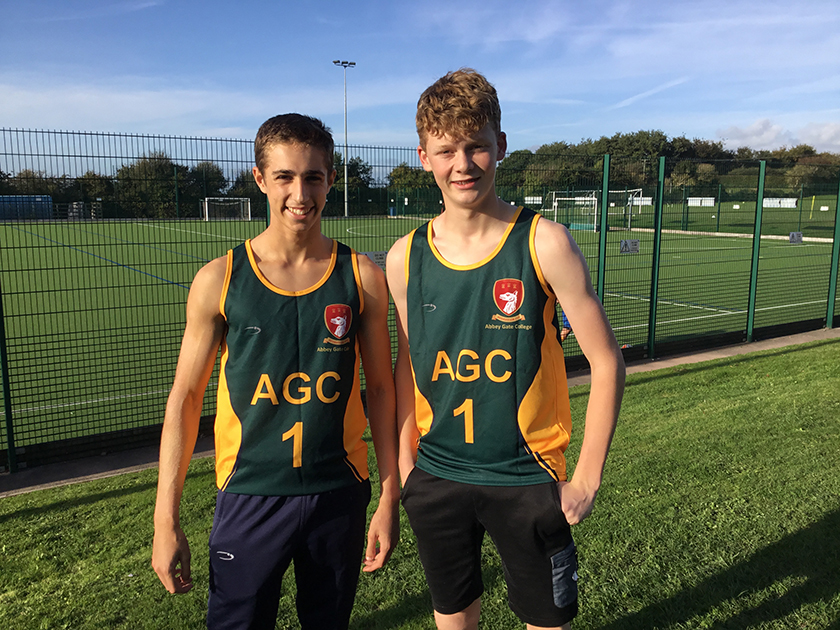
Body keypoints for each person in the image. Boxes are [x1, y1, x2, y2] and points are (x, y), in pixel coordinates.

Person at [386, 69, 625, 630]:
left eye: (477, 147)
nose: (463, 164)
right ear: (424, 156)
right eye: (446, 150)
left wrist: (587, 478)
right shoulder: (404, 257)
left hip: (526, 475)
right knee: (452, 618)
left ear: (502, 147)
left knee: (546, 622)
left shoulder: (545, 241)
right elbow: (407, 368)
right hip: (437, 474)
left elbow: (607, 361)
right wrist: (402, 462)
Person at [152, 113, 399, 630]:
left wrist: (389, 494)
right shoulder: (219, 279)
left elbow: (380, 389)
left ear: (332, 180)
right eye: (285, 177)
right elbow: (184, 400)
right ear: (261, 179)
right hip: (250, 493)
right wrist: (165, 518)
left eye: (313, 177)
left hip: (340, 491)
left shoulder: (363, 277)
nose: (300, 193)